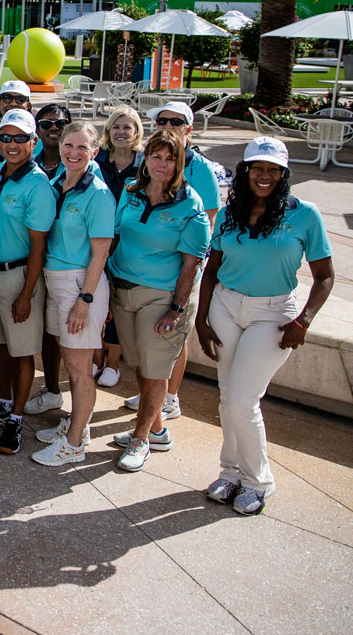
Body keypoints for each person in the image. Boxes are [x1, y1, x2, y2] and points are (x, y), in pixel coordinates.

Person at [196, 137, 333, 514]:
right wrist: (201, 317)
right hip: (226, 306)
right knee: (228, 398)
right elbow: (212, 269)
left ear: (284, 174)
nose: (265, 176)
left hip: (273, 314)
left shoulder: (305, 214)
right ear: (245, 171)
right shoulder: (229, 213)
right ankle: (230, 472)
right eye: (258, 168)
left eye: (274, 170)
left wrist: (303, 321)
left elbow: (324, 275)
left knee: (243, 400)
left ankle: (258, 481)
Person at [108, 129, 210, 472]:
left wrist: (177, 309)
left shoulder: (190, 204)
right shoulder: (132, 191)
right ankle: (157, 431)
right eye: (156, 156)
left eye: (169, 158)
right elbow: (117, 235)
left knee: (154, 372)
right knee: (141, 366)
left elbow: (191, 264)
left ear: (180, 163)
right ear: (145, 158)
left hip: (163, 298)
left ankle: (140, 439)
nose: (161, 164)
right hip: (123, 291)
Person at [124, 100, 223, 423]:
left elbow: (205, 224)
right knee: (149, 358)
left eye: (176, 121)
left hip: (176, 275)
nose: (169, 126)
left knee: (169, 349)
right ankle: (155, 398)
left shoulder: (200, 171)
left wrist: (183, 291)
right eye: (162, 120)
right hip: (134, 282)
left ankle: (169, 397)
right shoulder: (137, 184)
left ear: (189, 128)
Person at [0, 109, 55, 455]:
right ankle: (3, 404)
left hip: (19, 275)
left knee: (22, 352)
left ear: (33, 142)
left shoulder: (38, 186)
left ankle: (17, 418)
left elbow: (39, 247)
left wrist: (26, 293)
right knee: (1, 346)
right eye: (6, 137)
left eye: (21, 138)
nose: (13, 144)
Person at [31, 123, 115, 466]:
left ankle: (75, 443)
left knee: (80, 370)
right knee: (71, 362)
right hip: (57, 280)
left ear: (94, 151)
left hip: (80, 284)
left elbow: (101, 252)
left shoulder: (97, 193)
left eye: (83, 147)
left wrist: (85, 301)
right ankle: (77, 425)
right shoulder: (60, 183)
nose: (74, 152)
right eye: (69, 145)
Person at [25, 102, 74, 414]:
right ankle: (50, 387)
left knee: (65, 333)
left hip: (65, 261)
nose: (53, 129)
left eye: (60, 124)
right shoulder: (29, 165)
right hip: (32, 257)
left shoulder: (83, 165)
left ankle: (65, 390)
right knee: (40, 330)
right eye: (46, 124)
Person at [94, 106, 144, 388]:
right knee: (97, 300)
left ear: (137, 132)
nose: (122, 132)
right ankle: (95, 358)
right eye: (116, 127)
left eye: (128, 127)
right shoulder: (98, 160)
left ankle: (113, 363)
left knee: (119, 304)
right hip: (98, 238)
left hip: (128, 241)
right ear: (108, 132)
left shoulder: (144, 165)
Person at [0, 80, 38, 162]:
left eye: (20, 99)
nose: (13, 104)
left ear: (28, 104)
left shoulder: (38, 142)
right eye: (7, 98)